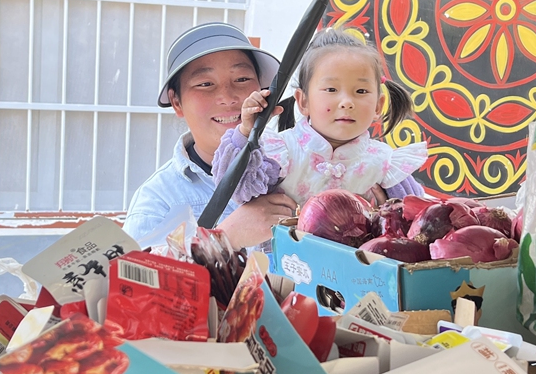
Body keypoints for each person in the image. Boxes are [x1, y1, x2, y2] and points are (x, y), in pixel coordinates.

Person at [123, 23, 298, 249]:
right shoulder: (158, 201)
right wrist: (224, 238)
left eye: (242, 79)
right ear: (177, 102)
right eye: (205, 84)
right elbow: (134, 279)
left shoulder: (295, 162)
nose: (227, 96)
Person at [212, 28, 427, 207]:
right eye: (331, 89)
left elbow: (416, 214)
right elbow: (237, 189)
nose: (347, 102)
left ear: (378, 105)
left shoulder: (384, 163)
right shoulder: (283, 151)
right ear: (303, 101)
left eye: (361, 92)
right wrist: (246, 134)